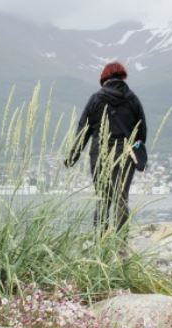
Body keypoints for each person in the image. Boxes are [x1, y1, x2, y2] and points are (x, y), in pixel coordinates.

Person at [64, 62, 147, 232]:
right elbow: (142, 132)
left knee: (103, 197)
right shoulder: (132, 99)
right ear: (123, 77)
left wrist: (72, 156)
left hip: (100, 152)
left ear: (104, 78)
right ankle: (120, 242)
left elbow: (83, 130)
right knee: (121, 197)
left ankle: (100, 243)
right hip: (125, 152)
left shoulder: (96, 99)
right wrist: (136, 151)